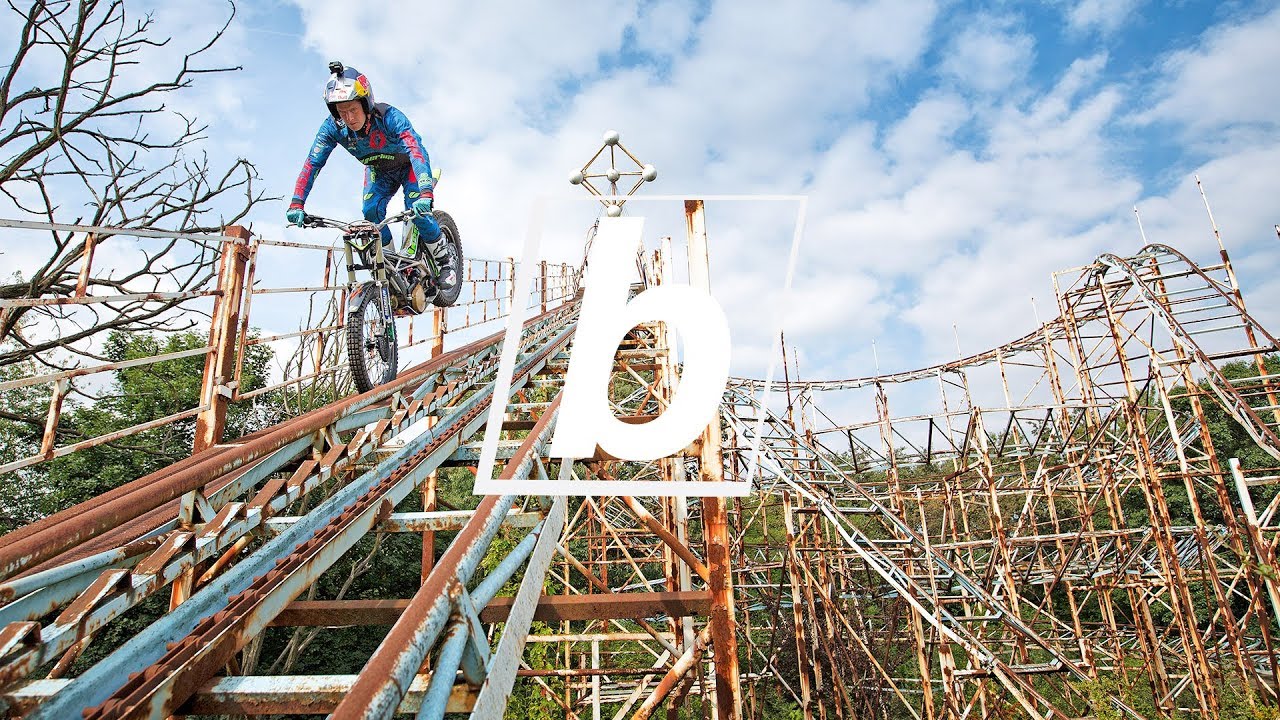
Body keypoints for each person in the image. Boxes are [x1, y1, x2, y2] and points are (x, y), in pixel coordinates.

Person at [286, 62, 454, 287]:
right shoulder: (332, 128)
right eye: (342, 112)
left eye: (353, 110)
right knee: (370, 213)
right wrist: (297, 203)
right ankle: (393, 268)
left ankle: (445, 262)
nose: (349, 118)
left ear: (366, 104)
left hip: (409, 167)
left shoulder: (390, 117)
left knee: (417, 212)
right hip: (378, 171)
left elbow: (416, 150)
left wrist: (425, 192)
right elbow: (312, 164)